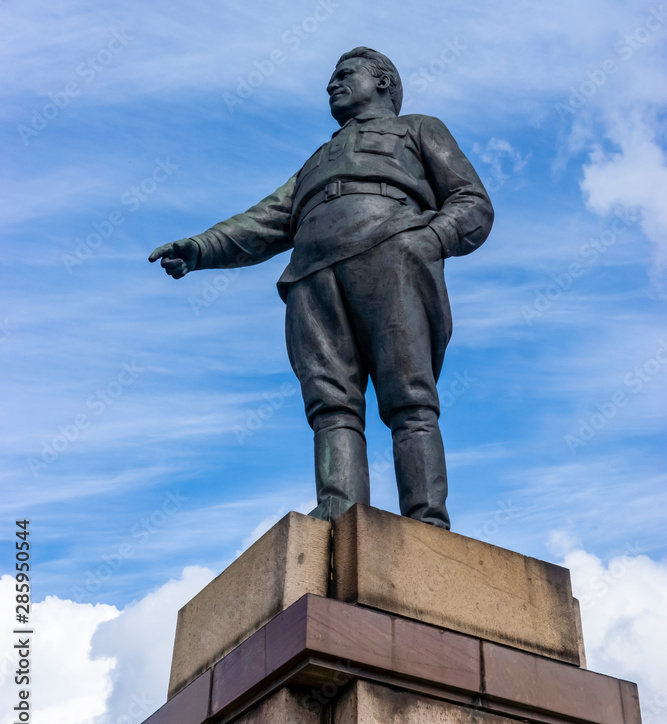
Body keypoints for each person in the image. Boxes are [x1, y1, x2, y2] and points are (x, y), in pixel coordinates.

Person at [149, 47, 493, 527]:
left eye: (345, 75)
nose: (332, 84)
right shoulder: (315, 162)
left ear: (383, 82)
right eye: (332, 78)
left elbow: (472, 200)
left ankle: (426, 521)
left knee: (409, 396)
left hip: (390, 254)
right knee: (330, 403)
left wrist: (430, 239)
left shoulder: (418, 128)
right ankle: (339, 511)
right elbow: (265, 220)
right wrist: (203, 247)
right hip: (312, 276)